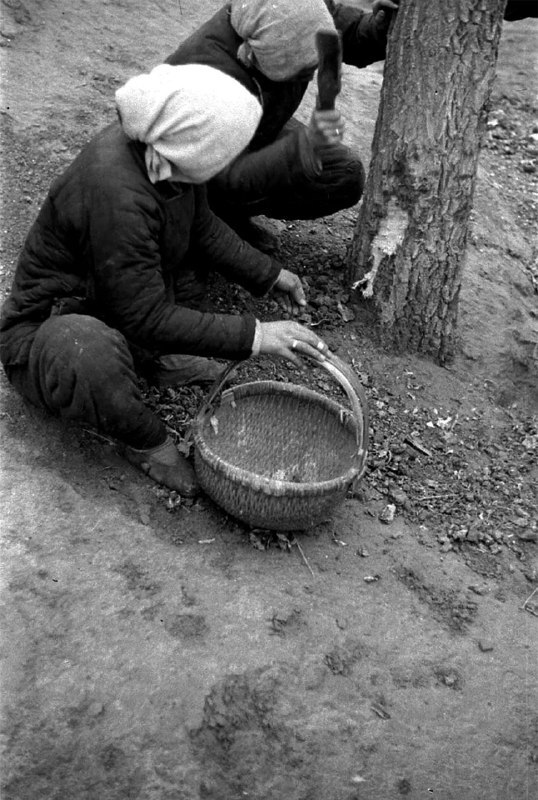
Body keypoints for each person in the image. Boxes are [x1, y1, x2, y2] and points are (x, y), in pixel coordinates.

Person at [0, 63, 331, 497]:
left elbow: (201, 227)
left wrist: (269, 275)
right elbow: (143, 314)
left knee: (176, 283)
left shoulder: (165, 153)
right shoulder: (117, 193)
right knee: (86, 352)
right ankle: (144, 441)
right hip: (47, 333)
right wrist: (257, 335)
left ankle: (150, 361)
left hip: (110, 301)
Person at [165, 0, 399, 241]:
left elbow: (344, 32)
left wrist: (380, 24)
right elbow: (163, 178)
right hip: (198, 161)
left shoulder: (302, 8)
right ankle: (213, 223)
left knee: (342, 173)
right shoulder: (203, 77)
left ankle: (228, 214)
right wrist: (262, 272)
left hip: (261, 127)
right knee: (188, 210)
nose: (312, 71)